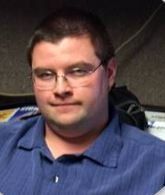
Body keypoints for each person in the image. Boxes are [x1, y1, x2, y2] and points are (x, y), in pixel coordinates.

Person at [0, 7, 165, 195]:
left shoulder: (158, 169)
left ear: (109, 74)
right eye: (45, 75)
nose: (61, 89)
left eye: (78, 71)